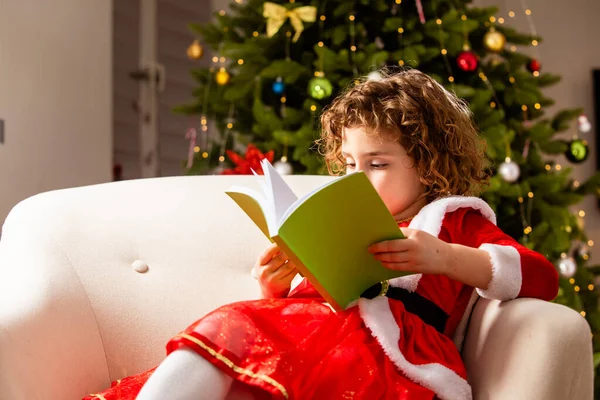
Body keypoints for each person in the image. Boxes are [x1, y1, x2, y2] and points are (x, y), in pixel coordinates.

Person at [84, 69, 558, 400]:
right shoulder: (343, 213)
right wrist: (276, 283)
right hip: (310, 333)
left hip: (388, 358)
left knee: (235, 326)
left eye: (377, 164)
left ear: (429, 162)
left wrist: (446, 258)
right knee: (229, 345)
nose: (357, 176)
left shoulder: (454, 218)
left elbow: (540, 278)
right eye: (350, 165)